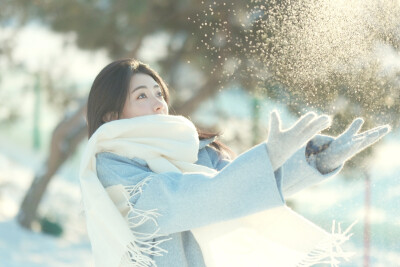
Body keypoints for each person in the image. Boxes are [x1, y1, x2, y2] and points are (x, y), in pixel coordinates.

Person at [79, 58, 390, 267]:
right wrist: (267, 157)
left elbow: (246, 193)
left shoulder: (196, 151)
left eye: (159, 93)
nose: (159, 102)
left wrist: (316, 161)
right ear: (111, 114)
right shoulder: (110, 165)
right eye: (142, 96)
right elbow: (180, 200)